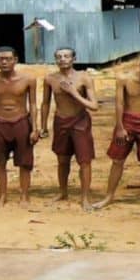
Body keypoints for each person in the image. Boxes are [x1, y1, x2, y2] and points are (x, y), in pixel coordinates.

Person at [93, 55, 140, 210]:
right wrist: (120, 127)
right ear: (139, 65)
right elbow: (119, 103)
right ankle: (109, 196)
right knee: (117, 160)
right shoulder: (124, 79)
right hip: (127, 121)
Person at [40, 47, 99, 211]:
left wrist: (74, 93)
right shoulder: (50, 79)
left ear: (74, 59)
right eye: (59, 57)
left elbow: (94, 106)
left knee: (85, 161)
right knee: (62, 160)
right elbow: (45, 103)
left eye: (66, 56)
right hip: (61, 121)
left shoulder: (84, 78)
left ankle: (85, 197)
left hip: (80, 121)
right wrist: (43, 125)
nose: (62, 59)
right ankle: (63, 192)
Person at [0, 46, 39, 208]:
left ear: (15, 60)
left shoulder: (28, 80)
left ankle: (24, 195)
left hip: (21, 121)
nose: (4, 62)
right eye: (0, 59)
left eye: (8, 58)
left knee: (25, 162)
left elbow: (33, 104)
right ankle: (2, 196)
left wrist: (35, 127)